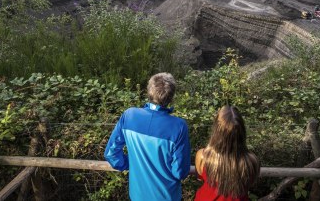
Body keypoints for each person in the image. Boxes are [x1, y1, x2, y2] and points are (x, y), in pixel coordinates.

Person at [104, 72, 191, 201]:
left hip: (137, 196)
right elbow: (180, 172)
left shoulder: (129, 116)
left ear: (149, 92)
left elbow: (111, 154)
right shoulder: (179, 126)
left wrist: (131, 163)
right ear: (171, 97)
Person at [195, 105, 260, 201]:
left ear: (216, 130)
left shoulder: (203, 156)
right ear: (242, 131)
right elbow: (250, 183)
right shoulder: (251, 161)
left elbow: (200, 178)